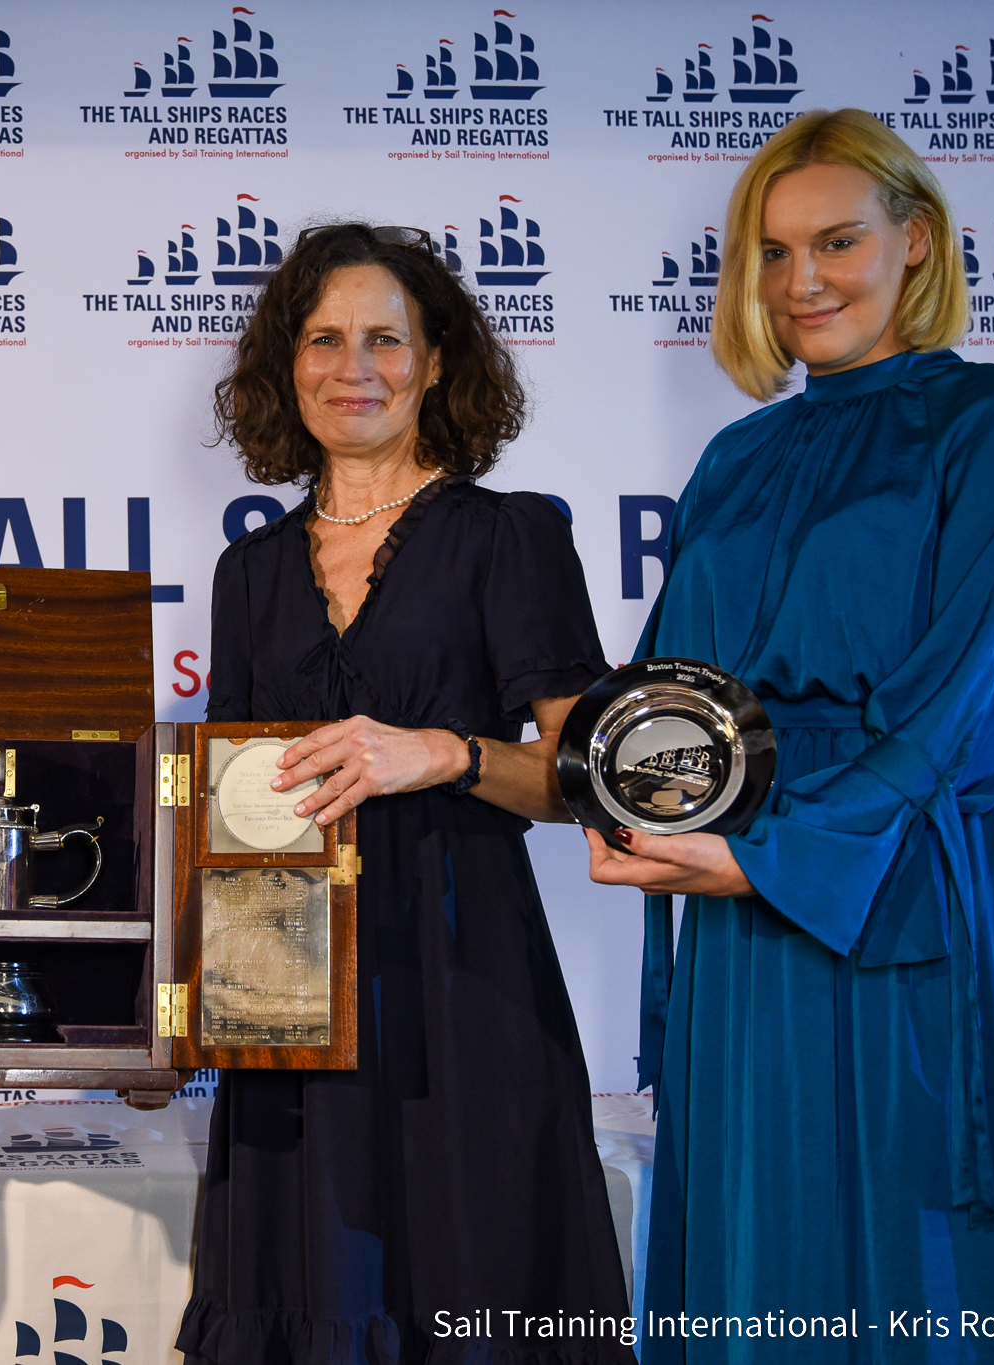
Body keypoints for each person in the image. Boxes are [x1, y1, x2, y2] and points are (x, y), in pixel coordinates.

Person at [588, 109, 994, 1361]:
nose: (800, 281)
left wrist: (774, 853)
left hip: (923, 864)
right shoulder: (736, 455)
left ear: (912, 241)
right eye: (771, 252)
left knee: (925, 1255)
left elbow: (966, 707)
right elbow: (675, 690)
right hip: (745, 879)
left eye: (835, 242)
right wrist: (625, 805)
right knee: (761, 1240)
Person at [178, 223, 635, 1365]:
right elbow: (227, 815)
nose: (356, 367)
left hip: (463, 978)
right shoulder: (247, 572)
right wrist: (172, 1010)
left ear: (434, 362)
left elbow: (587, 782)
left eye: (386, 339)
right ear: (287, 366)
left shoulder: (511, 537)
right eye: (324, 340)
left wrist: (443, 753)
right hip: (287, 1000)